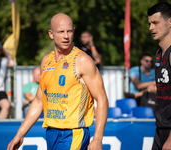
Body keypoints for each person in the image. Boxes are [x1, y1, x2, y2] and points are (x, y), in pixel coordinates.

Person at [7, 13, 108, 150]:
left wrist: (97, 138)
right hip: (51, 133)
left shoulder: (82, 60)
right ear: (51, 34)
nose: (66, 36)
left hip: (74, 133)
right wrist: (19, 135)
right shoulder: (46, 61)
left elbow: (102, 98)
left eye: (69, 31)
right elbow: (38, 101)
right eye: (61, 32)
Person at [148, 2, 171, 150]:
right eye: (149, 23)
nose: (151, 28)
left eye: (155, 23)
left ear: (170, 21)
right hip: (161, 128)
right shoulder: (158, 53)